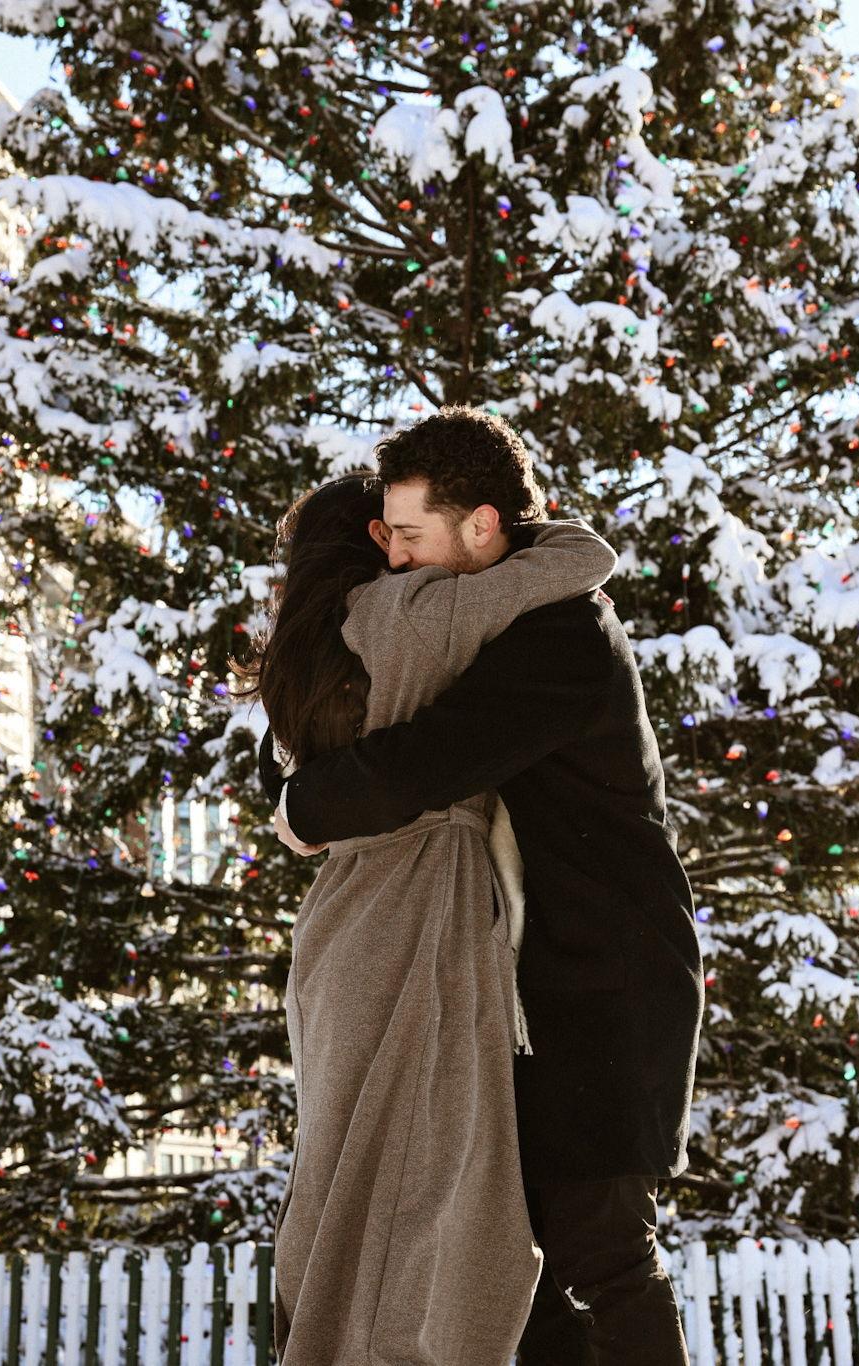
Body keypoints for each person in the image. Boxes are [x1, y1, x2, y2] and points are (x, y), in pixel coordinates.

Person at [274, 406, 704, 1366]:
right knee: (521, 1275)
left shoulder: (564, 633)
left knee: (599, 1251)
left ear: (481, 525)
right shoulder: (501, 617)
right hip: (529, 999)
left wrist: (302, 807)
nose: (396, 561)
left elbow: (430, 756)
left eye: (410, 535)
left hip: (605, 989)